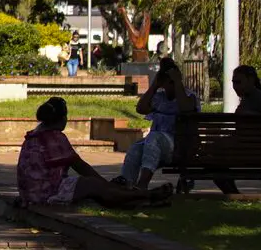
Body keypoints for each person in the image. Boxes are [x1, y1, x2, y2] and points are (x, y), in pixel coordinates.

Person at [17, 97, 170, 208]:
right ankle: (146, 195)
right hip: (45, 194)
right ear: (62, 118)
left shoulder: (33, 136)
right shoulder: (54, 137)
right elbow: (80, 166)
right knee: (93, 185)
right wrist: (104, 184)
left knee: (95, 190)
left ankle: (139, 201)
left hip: (30, 193)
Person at [117, 57, 200, 188]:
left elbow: (185, 108)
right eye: (168, 82)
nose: (170, 85)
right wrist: (154, 85)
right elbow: (141, 108)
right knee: (136, 148)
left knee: (154, 137)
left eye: (173, 82)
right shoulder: (159, 98)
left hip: (178, 146)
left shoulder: (189, 97)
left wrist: (178, 83)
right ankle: (127, 185)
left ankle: (142, 184)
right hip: (156, 145)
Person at [212, 65, 261, 194]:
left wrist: (249, 115)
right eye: (233, 82)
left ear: (251, 80)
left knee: (212, 152)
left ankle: (232, 193)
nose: (235, 86)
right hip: (244, 148)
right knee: (213, 153)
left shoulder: (259, 99)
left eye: (238, 82)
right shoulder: (250, 98)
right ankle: (233, 193)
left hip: (248, 150)